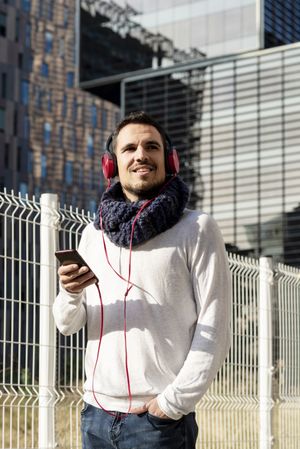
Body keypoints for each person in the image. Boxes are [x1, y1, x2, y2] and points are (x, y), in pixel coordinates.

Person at [53, 111, 231, 449]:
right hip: (96, 416)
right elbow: (67, 324)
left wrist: (171, 405)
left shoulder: (197, 229)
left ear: (169, 160)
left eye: (151, 146)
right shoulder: (93, 236)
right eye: (129, 148)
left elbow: (216, 325)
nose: (140, 155)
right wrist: (70, 293)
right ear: (111, 165)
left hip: (157, 423)